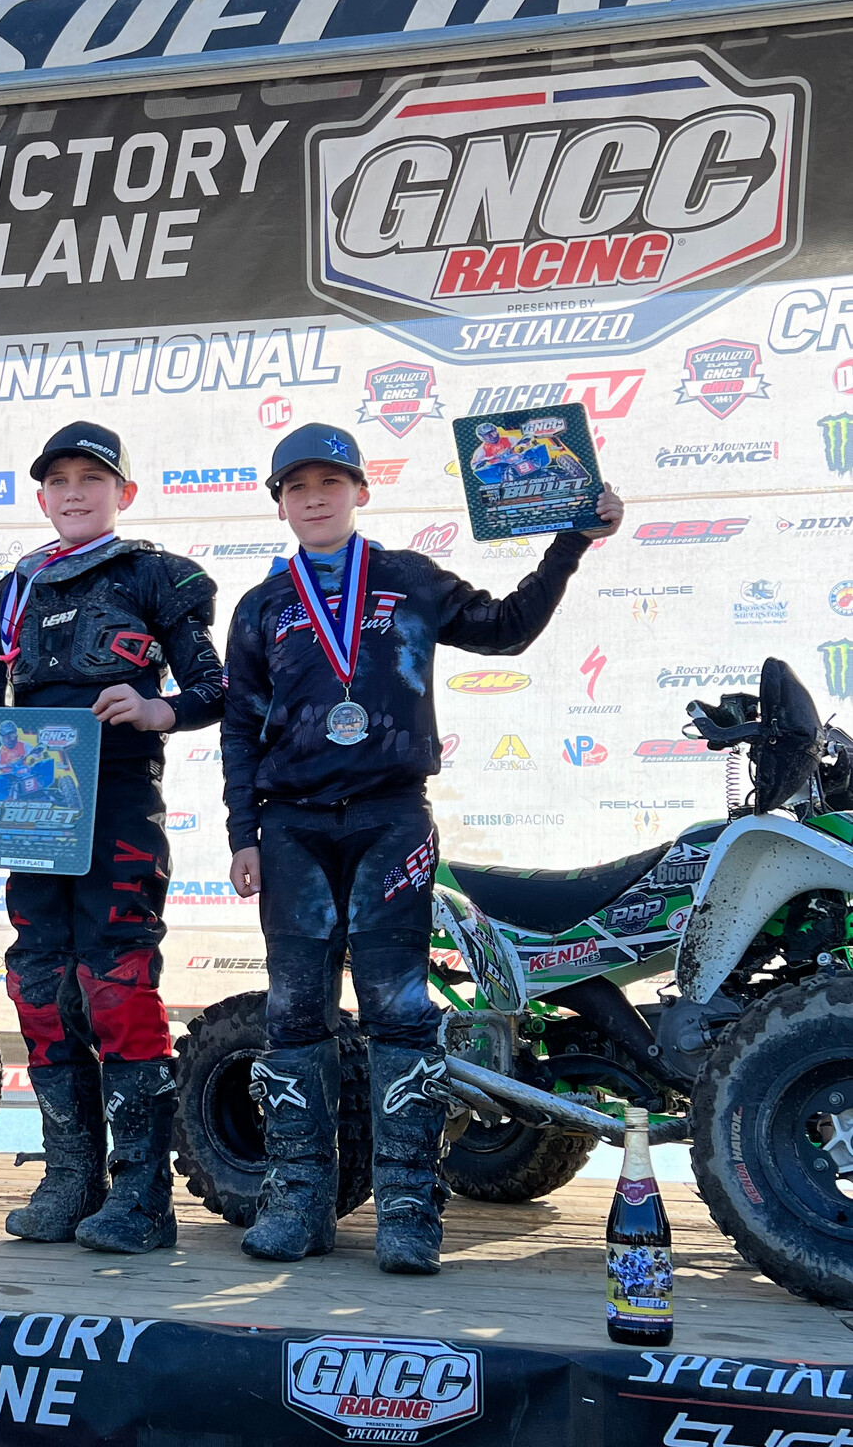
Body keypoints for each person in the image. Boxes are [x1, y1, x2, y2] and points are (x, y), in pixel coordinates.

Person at [221, 423, 623, 1275]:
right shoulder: (261, 606)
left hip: (391, 818)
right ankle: (299, 1202)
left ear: (361, 491)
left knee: (400, 1009)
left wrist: (571, 544)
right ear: (280, 503)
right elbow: (238, 729)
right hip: (291, 828)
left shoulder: (406, 579)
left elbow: (507, 629)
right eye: (297, 487)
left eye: (331, 481)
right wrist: (241, 834)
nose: (315, 497)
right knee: (295, 1011)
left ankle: (408, 1205)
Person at [0, 421, 224, 1255]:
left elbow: (212, 687)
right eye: (58, 480)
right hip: (30, 801)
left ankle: (142, 1194)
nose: (73, 492)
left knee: (117, 975)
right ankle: (70, 1176)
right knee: (37, 977)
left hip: (119, 801)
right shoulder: (15, 590)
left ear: (123, 494)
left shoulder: (158, 577)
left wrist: (157, 709)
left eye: (91, 479)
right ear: (40, 496)